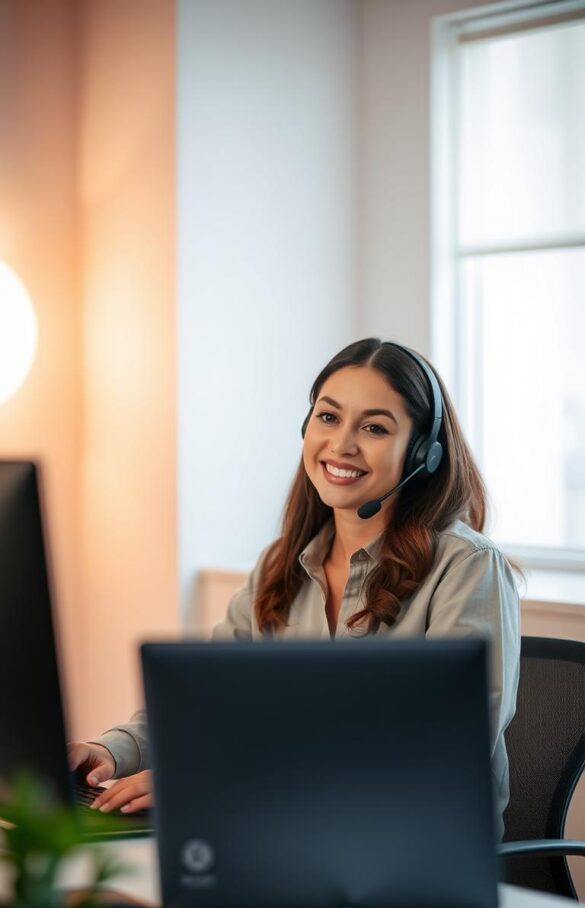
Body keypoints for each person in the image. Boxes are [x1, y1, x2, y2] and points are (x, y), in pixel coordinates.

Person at [69, 338, 520, 838]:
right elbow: (209, 705)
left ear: (422, 454)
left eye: (374, 428)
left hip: (414, 852)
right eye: (328, 418)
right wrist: (113, 750)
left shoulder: (468, 568)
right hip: (282, 837)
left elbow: (437, 749)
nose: (342, 444)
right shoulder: (281, 566)